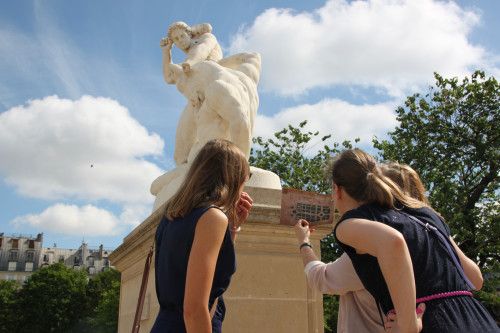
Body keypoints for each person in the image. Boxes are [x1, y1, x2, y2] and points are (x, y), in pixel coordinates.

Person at [296, 149, 497, 333]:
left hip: (436, 323)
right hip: (477, 318)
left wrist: (408, 324)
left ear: (337, 189)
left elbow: (393, 242)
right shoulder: (425, 215)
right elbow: (475, 279)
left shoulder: (353, 224)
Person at [294, 162, 434, 332]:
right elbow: (474, 279)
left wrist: (304, 242)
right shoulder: (426, 241)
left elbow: (322, 279)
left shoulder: (374, 248)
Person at [151, 139, 253, 333]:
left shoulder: (171, 217)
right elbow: (194, 310)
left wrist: (232, 229)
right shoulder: (211, 217)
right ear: (233, 177)